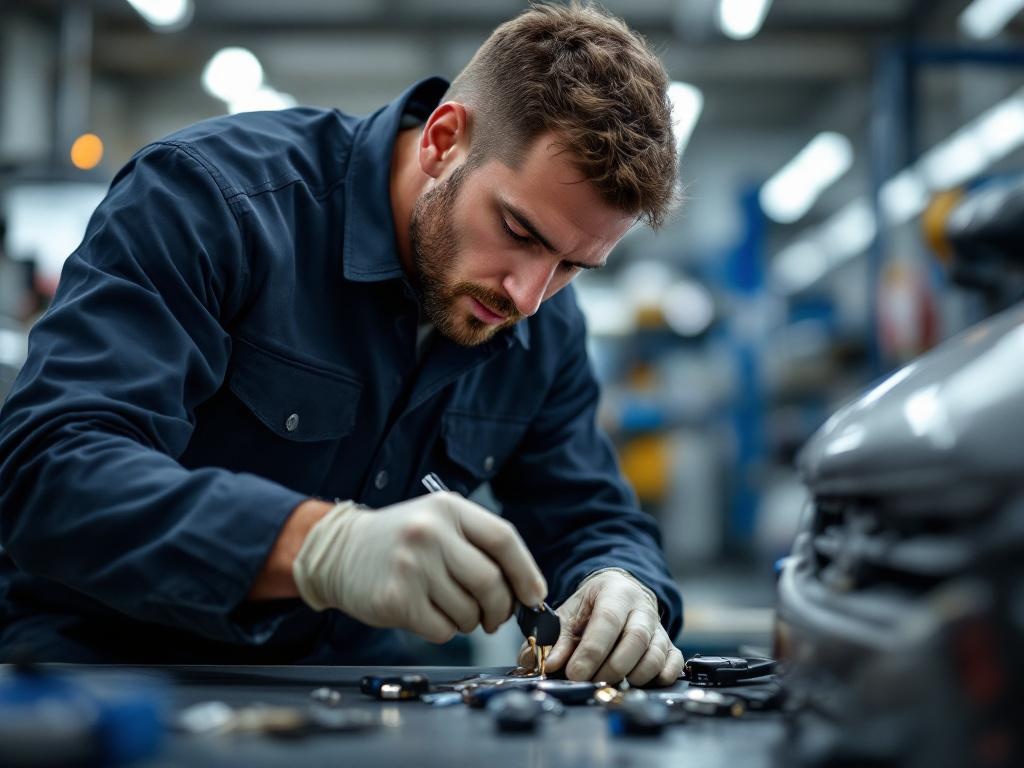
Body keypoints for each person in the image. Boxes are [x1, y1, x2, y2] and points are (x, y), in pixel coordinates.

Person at [0, 2, 684, 685]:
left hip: (340, 691)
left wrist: (622, 584)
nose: (529, 295)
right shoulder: (211, 203)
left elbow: (587, 513)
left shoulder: (543, 326)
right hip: (105, 676)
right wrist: (316, 547)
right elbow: (51, 471)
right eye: (520, 231)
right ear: (444, 140)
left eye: (572, 266)